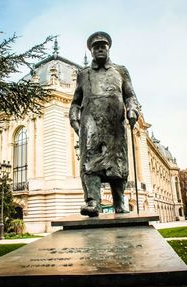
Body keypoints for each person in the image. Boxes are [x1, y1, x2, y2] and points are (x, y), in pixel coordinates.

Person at [69, 31, 139, 217]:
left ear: (108, 48)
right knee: (89, 164)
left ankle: (118, 202)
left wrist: (132, 110)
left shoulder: (121, 71)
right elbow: (76, 101)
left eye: (103, 46)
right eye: (96, 47)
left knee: (118, 163)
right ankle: (93, 202)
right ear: (91, 51)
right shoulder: (83, 74)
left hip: (115, 124)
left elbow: (130, 96)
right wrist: (74, 120)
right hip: (90, 125)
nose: (99, 49)